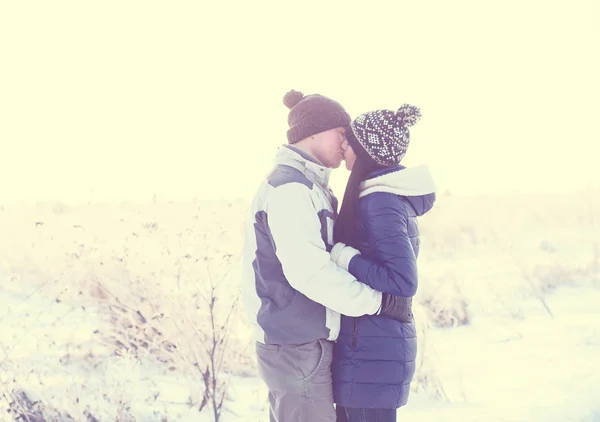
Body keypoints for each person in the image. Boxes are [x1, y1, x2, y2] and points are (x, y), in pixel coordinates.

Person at [240, 90, 413, 422]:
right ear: (314, 132)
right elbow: (310, 272)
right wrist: (378, 302)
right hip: (295, 344)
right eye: (341, 133)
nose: (346, 142)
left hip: (306, 341)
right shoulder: (291, 189)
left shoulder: (311, 186)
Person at [329, 104, 437, 422]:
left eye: (350, 141)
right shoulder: (381, 195)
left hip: (373, 354)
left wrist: (344, 257)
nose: (344, 146)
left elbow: (403, 280)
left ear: (366, 150)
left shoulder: (380, 201)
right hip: (369, 348)